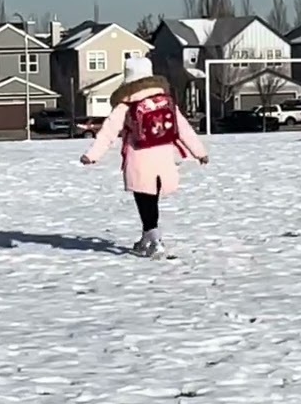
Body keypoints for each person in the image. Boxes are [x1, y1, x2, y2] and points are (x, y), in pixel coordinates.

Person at [79, 56, 208, 257]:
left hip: (139, 157)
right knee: (152, 198)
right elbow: (184, 129)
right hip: (164, 157)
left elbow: (108, 131)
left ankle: (154, 239)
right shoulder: (165, 102)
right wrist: (200, 152)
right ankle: (147, 238)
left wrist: (92, 155)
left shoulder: (126, 105)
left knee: (143, 198)